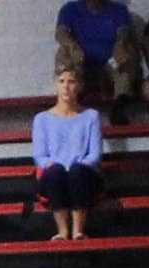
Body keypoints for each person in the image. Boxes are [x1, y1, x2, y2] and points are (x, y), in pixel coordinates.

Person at [34, 66, 106, 241]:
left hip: (83, 171)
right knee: (56, 173)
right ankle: (62, 231)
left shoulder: (91, 116)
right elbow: (39, 155)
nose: (66, 86)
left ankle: (78, 230)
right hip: (55, 172)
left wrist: (78, 165)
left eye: (71, 81)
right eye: (61, 81)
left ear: (78, 86)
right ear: (56, 86)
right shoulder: (42, 119)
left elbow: (95, 154)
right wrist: (51, 165)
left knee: (77, 172)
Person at [55, 0, 146, 114]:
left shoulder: (119, 10)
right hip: (83, 65)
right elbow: (60, 33)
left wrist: (120, 45)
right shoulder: (70, 9)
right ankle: (70, 98)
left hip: (109, 65)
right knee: (63, 52)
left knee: (128, 52)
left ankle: (119, 104)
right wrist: (72, 46)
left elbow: (123, 33)